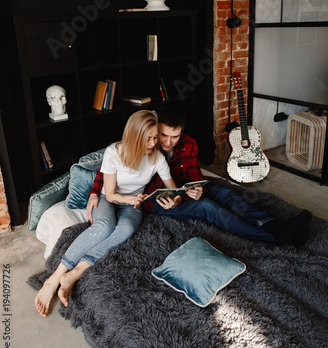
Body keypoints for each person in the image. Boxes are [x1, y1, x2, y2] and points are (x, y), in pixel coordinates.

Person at [91, 105, 312, 247]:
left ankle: (273, 224)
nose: (167, 142)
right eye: (163, 136)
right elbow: (113, 170)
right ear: (154, 129)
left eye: (174, 136)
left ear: (182, 132)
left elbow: (196, 177)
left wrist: (198, 190)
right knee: (208, 208)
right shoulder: (146, 144)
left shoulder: (190, 145)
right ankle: (274, 239)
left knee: (224, 193)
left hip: (182, 190)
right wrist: (94, 193)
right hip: (158, 199)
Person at [34, 110, 178, 317]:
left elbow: (171, 187)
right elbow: (110, 195)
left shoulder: (157, 158)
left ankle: (76, 272)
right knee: (104, 227)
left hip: (133, 203)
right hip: (109, 198)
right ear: (134, 136)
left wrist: (176, 198)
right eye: (147, 138)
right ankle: (54, 278)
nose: (152, 143)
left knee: (127, 228)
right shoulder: (114, 153)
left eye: (155, 138)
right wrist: (129, 199)